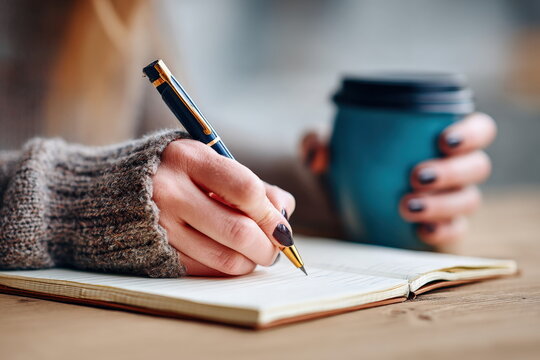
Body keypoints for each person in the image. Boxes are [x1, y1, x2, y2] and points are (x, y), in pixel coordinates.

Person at [0, 0, 495, 277]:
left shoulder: (108, 11)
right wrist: (68, 201)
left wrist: (346, 188)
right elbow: (127, 172)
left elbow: (179, 143)